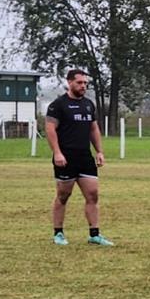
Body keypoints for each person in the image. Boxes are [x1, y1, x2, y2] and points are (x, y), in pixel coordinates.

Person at [45, 68, 113, 246]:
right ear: (70, 82)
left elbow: (93, 129)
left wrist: (99, 151)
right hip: (66, 158)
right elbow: (50, 129)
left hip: (85, 157)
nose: (83, 86)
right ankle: (58, 233)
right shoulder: (58, 105)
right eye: (79, 83)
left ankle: (94, 234)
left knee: (93, 195)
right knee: (63, 195)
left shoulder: (89, 104)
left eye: (85, 83)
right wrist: (57, 153)